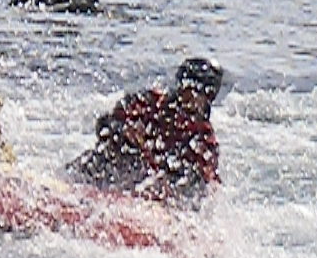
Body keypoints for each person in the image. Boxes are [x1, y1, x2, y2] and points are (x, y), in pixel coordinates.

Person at [72, 56, 223, 204]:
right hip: (123, 171)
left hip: (158, 198)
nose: (189, 100)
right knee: (110, 151)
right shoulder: (151, 103)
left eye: (196, 96)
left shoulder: (204, 140)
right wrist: (124, 131)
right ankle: (68, 184)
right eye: (186, 91)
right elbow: (105, 124)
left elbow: (201, 184)